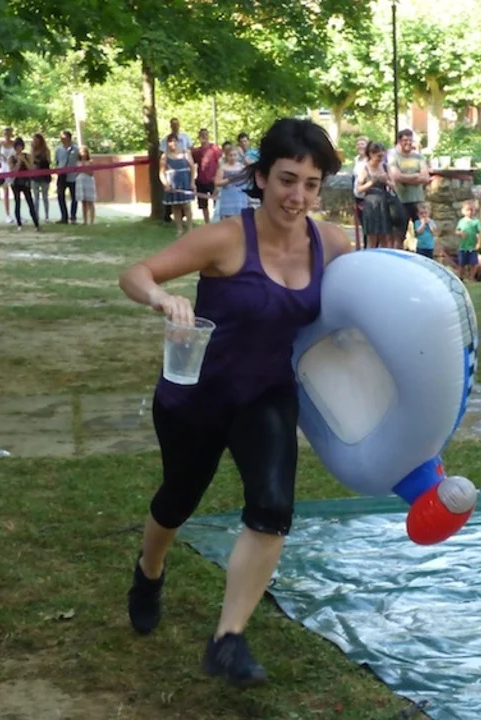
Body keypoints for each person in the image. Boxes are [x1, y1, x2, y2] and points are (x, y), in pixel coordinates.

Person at [117, 118, 349, 685]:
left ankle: (228, 638)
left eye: (311, 185)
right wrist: (161, 297)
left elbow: (367, 302)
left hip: (267, 393)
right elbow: (135, 273)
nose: (298, 197)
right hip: (196, 394)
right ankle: (149, 570)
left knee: (272, 507)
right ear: (262, 177)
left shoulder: (333, 244)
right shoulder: (225, 238)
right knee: (178, 499)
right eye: (287, 180)